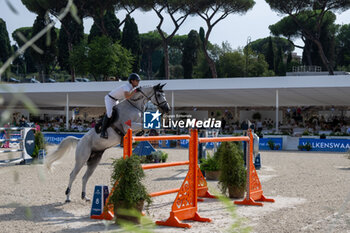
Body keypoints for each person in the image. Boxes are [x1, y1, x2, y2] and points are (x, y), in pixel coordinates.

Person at [100, 73, 141, 139]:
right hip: (110, 99)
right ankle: (103, 131)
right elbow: (127, 96)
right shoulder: (127, 86)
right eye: (137, 80)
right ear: (132, 81)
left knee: (120, 114)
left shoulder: (132, 87)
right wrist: (135, 91)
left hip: (116, 100)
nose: (138, 82)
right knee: (110, 114)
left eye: (138, 81)